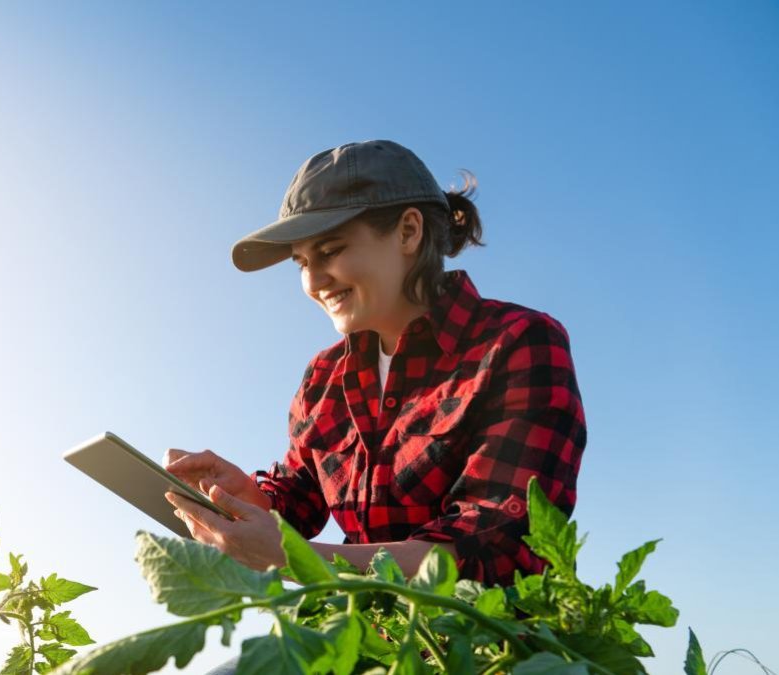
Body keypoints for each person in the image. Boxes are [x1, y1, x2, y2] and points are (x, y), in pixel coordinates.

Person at [163, 140, 586, 587]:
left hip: (485, 629)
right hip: (363, 622)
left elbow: (492, 546)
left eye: (330, 251)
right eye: (301, 262)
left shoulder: (517, 342)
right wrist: (243, 496)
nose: (313, 281)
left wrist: (296, 559)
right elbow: (298, 498)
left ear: (408, 232)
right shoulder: (323, 379)